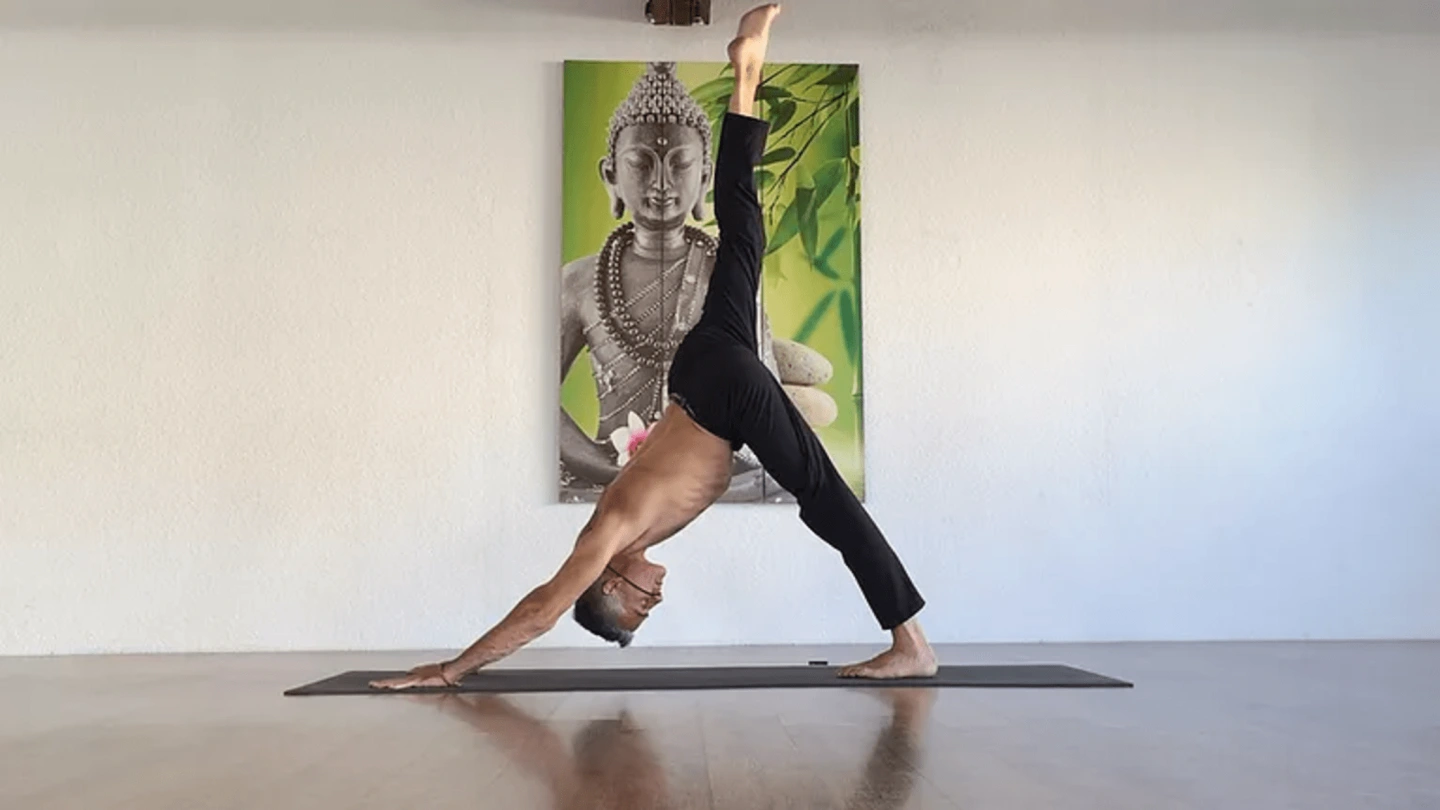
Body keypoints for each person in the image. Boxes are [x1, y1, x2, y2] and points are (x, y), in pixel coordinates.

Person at [373, 4, 935, 690]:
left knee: (826, 498)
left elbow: (544, 608)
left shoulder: (606, 535)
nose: (655, 599)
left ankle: (911, 643)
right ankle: (747, 77)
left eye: (639, 604)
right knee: (744, 233)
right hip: (704, 374)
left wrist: (452, 669)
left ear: (610, 582)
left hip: (719, 395)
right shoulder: (628, 536)